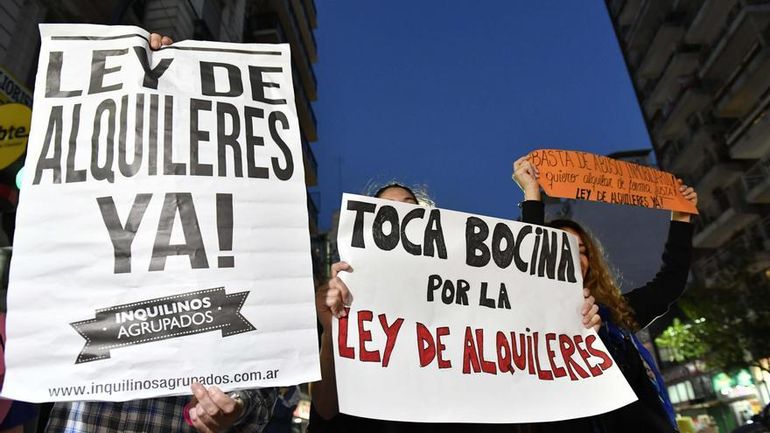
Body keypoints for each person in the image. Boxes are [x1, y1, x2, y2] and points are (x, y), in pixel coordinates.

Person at [44, 33, 278, 433]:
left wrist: (237, 407)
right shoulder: (86, 206)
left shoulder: (241, 238)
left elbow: (267, 368)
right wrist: (135, 69)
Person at [309, 182, 601, 433]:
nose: (399, 213)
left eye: (410, 206)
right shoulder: (349, 297)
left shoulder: (471, 285)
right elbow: (325, 409)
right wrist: (330, 332)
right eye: (387, 208)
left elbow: (524, 287)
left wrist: (574, 327)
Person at [512, 155, 697, 433]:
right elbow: (532, 261)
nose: (575, 257)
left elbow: (670, 283)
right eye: (563, 249)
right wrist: (532, 193)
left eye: (583, 251)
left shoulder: (617, 316)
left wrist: (681, 217)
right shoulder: (532, 326)